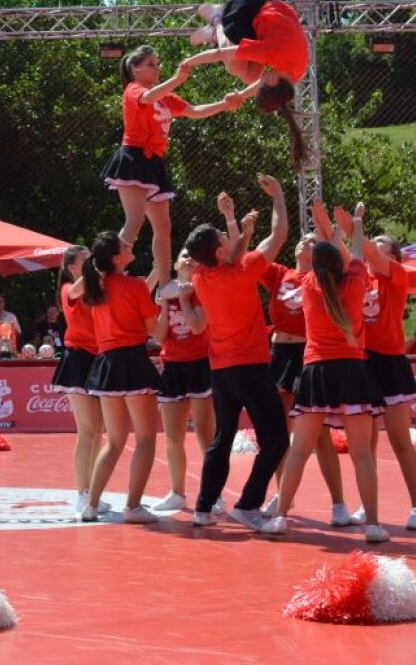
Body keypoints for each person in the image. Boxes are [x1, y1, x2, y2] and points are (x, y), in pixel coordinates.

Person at [264, 205, 389, 543]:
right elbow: (354, 248)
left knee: (300, 449)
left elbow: (329, 253)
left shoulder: (306, 284)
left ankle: (279, 517)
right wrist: (357, 223)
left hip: (316, 371)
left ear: (316, 267)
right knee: (362, 453)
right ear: (341, 264)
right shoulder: (357, 281)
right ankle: (374, 525)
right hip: (351, 370)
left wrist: (327, 232)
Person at [185, 176, 290, 530]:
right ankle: (247, 505)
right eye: (223, 237)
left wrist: (234, 221)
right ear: (218, 250)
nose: (229, 239)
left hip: (222, 369)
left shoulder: (200, 277)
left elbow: (230, 254)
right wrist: (278, 198)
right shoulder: (242, 273)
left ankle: (202, 508)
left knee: (222, 437)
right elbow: (279, 236)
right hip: (250, 367)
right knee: (275, 440)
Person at [102, 45, 242, 287]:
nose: (157, 68)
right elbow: (148, 98)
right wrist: (177, 79)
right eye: (151, 64)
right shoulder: (133, 90)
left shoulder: (165, 98)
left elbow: (194, 111)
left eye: (158, 63)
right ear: (135, 70)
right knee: (134, 220)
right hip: (133, 159)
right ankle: (109, 274)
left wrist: (224, 104)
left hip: (153, 163)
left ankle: (164, 284)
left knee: (163, 226)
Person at [327, 207, 416, 531]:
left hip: (390, 363)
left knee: (400, 441)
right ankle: (366, 507)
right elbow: (344, 252)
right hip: (362, 363)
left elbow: (365, 248)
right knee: (364, 445)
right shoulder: (360, 277)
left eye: (384, 250)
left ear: (393, 257)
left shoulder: (397, 276)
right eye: (374, 248)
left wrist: (356, 227)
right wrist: (332, 227)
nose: (375, 253)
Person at [257, 218, 347, 524]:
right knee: (282, 433)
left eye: (311, 241)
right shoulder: (281, 274)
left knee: (319, 435)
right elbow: (256, 257)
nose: (303, 242)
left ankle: (338, 503)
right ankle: (284, 496)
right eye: (301, 239)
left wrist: (332, 234)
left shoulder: (323, 280)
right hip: (280, 354)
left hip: (308, 355)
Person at [181, 0, 309, 168]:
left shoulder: (295, 72)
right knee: (235, 67)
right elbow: (220, 54)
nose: (262, 78)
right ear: (273, 79)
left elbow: (260, 82)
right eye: (264, 82)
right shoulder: (273, 52)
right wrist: (189, 62)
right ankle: (217, 19)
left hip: (267, 18)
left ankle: (214, 31)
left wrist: (240, 95)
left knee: (248, 76)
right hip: (252, 2)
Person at [77, 232, 161, 524]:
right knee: (146, 439)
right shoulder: (134, 286)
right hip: (133, 362)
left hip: (107, 364)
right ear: (115, 257)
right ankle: (133, 506)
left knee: (113, 442)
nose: (130, 246)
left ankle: (91, 503)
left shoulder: (96, 286)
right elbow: (157, 331)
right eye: (125, 246)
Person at [151, 249, 216, 512]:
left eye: (193, 255)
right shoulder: (166, 292)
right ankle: (177, 492)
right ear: (175, 264)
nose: (189, 258)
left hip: (200, 364)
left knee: (205, 434)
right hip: (173, 367)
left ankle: (214, 492)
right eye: (183, 255)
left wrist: (186, 299)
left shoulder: (204, 288)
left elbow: (198, 326)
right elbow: (158, 335)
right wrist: (166, 302)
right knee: (173, 437)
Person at [50, 245, 104, 514]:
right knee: (88, 430)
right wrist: (99, 263)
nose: (92, 263)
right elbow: (75, 290)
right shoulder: (68, 290)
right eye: (86, 260)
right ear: (73, 268)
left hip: (99, 358)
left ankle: (93, 491)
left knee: (99, 432)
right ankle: (82, 494)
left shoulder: (96, 291)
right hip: (78, 359)